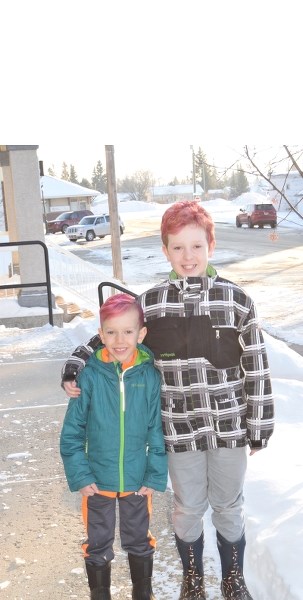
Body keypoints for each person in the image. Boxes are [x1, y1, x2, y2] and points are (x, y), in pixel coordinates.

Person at [61, 201, 274, 600]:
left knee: (228, 506)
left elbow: (256, 368)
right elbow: (109, 336)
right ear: (165, 251)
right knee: (188, 508)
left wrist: (259, 426)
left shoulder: (236, 301)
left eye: (196, 246)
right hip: (178, 430)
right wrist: (75, 365)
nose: (187, 257)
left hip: (228, 426)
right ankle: (192, 579)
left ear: (210, 245)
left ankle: (233, 579)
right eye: (177, 248)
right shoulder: (153, 305)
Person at [60, 293, 167, 600]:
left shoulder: (148, 376)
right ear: (100, 334)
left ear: (141, 333)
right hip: (97, 482)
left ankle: (142, 592)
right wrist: (81, 476)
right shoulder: (90, 376)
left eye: (128, 332)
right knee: (97, 542)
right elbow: (71, 435)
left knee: (138, 538)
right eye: (111, 332)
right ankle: (100, 593)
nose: (119, 340)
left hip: (136, 481)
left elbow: (155, 431)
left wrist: (153, 475)